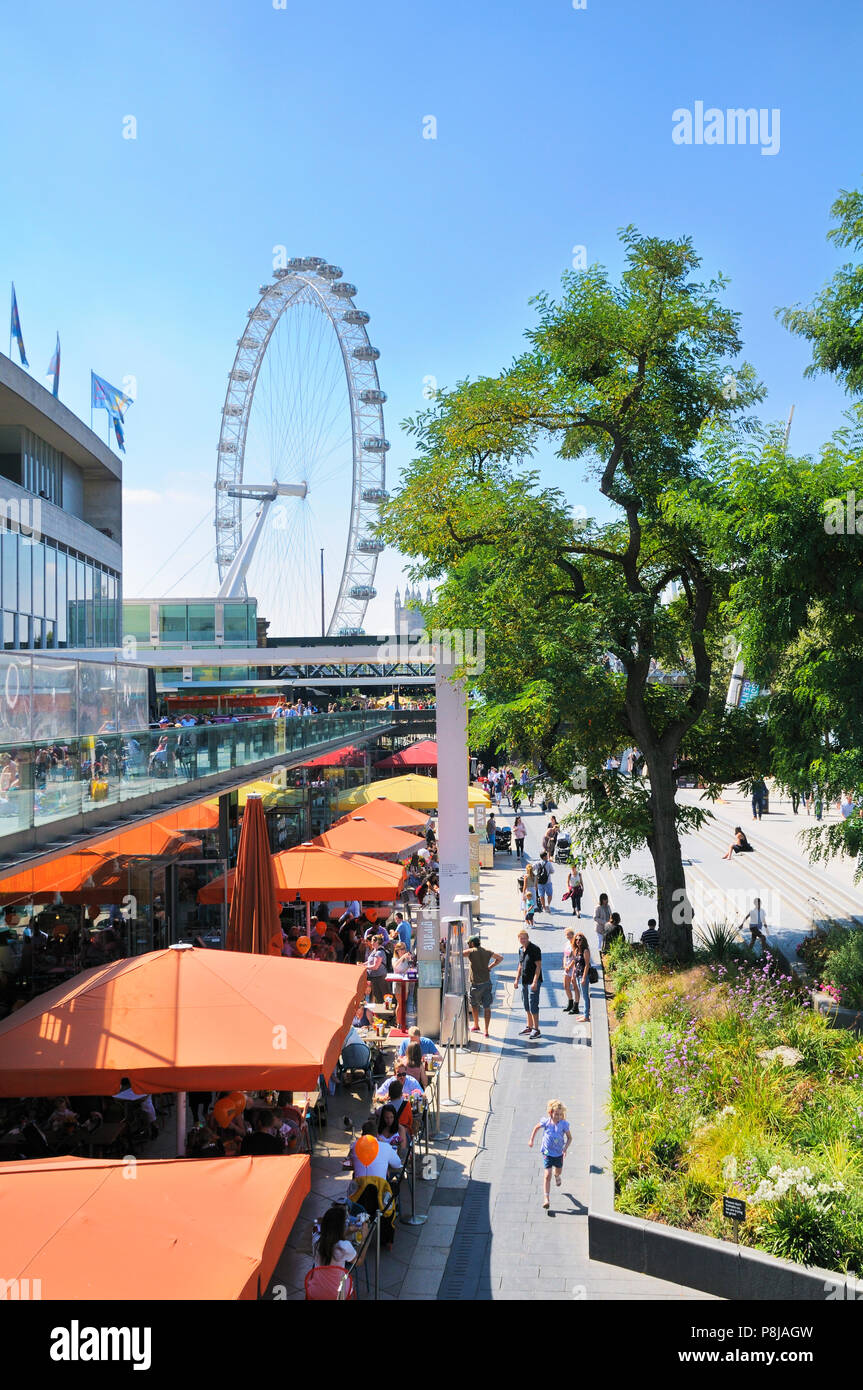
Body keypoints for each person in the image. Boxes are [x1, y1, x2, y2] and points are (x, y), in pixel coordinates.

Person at [528, 1099, 572, 1210]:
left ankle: (557, 1175)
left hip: (558, 1154)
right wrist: (531, 1140)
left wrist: (565, 1149)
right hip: (547, 1152)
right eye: (556, 1114)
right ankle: (546, 1199)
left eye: (560, 1114)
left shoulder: (564, 1124)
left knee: (558, 1171)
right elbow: (536, 1128)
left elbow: (569, 1138)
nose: (558, 1116)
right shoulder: (546, 1122)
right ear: (550, 1113)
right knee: (547, 1175)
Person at [463, 934, 503, 1036]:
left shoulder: (471, 951)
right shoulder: (486, 951)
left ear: (472, 943)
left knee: (474, 1005)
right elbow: (500, 958)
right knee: (487, 1007)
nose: (468, 945)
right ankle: (486, 1030)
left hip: (476, 984)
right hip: (486, 983)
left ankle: (476, 1025)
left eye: (468, 943)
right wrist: (490, 967)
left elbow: (459, 954)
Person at [514, 929, 542, 1039]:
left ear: (528, 938)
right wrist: (516, 979)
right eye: (521, 938)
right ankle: (529, 1026)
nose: (523, 940)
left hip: (533, 981)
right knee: (526, 1004)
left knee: (533, 1004)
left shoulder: (535, 949)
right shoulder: (521, 950)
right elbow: (520, 965)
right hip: (524, 981)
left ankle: (536, 1029)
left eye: (524, 938)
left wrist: (535, 981)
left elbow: (538, 966)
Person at [313, 1205, 356, 1269]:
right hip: (338, 1279)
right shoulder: (345, 1246)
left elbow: (330, 1233)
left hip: (317, 1278)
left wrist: (348, 1231)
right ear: (342, 1227)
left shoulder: (316, 1237)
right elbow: (358, 1261)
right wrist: (364, 1239)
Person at [571, 932, 592, 1022]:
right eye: (576, 940)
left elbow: (587, 965)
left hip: (583, 975)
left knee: (585, 996)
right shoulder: (576, 951)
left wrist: (584, 978)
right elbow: (575, 964)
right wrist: (573, 975)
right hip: (578, 975)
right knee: (583, 995)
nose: (578, 941)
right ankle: (584, 1014)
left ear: (583, 941)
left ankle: (586, 1016)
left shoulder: (585, 951)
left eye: (580, 940)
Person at [365, 934, 388, 1003]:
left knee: (381, 997)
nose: (371, 943)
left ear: (376, 942)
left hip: (379, 978)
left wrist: (364, 967)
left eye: (372, 941)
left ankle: (384, 1013)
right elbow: (370, 961)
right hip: (374, 977)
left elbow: (375, 966)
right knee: (377, 997)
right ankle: (378, 1013)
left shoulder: (379, 952)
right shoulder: (375, 951)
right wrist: (362, 964)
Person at [562, 929, 579, 1014]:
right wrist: (565, 964)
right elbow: (565, 956)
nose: (568, 936)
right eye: (567, 935)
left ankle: (576, 1005)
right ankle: (570, 1002)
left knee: (575, 986)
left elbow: (575, 958)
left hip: (573, 968)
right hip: (567, 967)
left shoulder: (575, 945)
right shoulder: (567, 944)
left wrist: (569, 966)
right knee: (566, 985)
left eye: (570, 935)